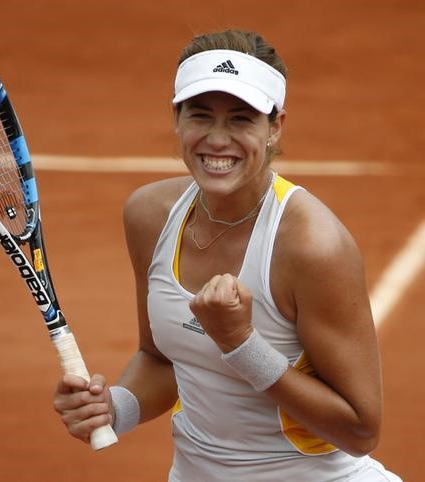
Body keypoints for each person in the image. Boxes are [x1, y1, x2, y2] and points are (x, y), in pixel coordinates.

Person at [53, 29, 401, 481]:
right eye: (200, 115)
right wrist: (114, 409)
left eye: (241, 119)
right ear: (177, 119)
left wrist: (241, 344)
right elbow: (162, 358)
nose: (217, 140)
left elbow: (360, 430)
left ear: (275, 127)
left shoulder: (311, 245)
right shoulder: (149, 216)